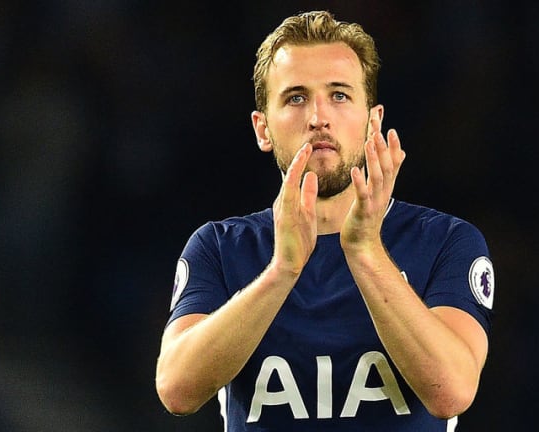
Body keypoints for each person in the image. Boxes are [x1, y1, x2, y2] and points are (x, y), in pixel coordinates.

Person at [156, 10, 495, 431]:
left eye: (339, 95)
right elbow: (176, 390)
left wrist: (365, 252)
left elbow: (452, 392)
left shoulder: (445, 242)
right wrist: (281, 271)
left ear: (373, 122)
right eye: (296, 98)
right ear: (263, 129)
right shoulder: (220, 249)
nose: (318, 116)